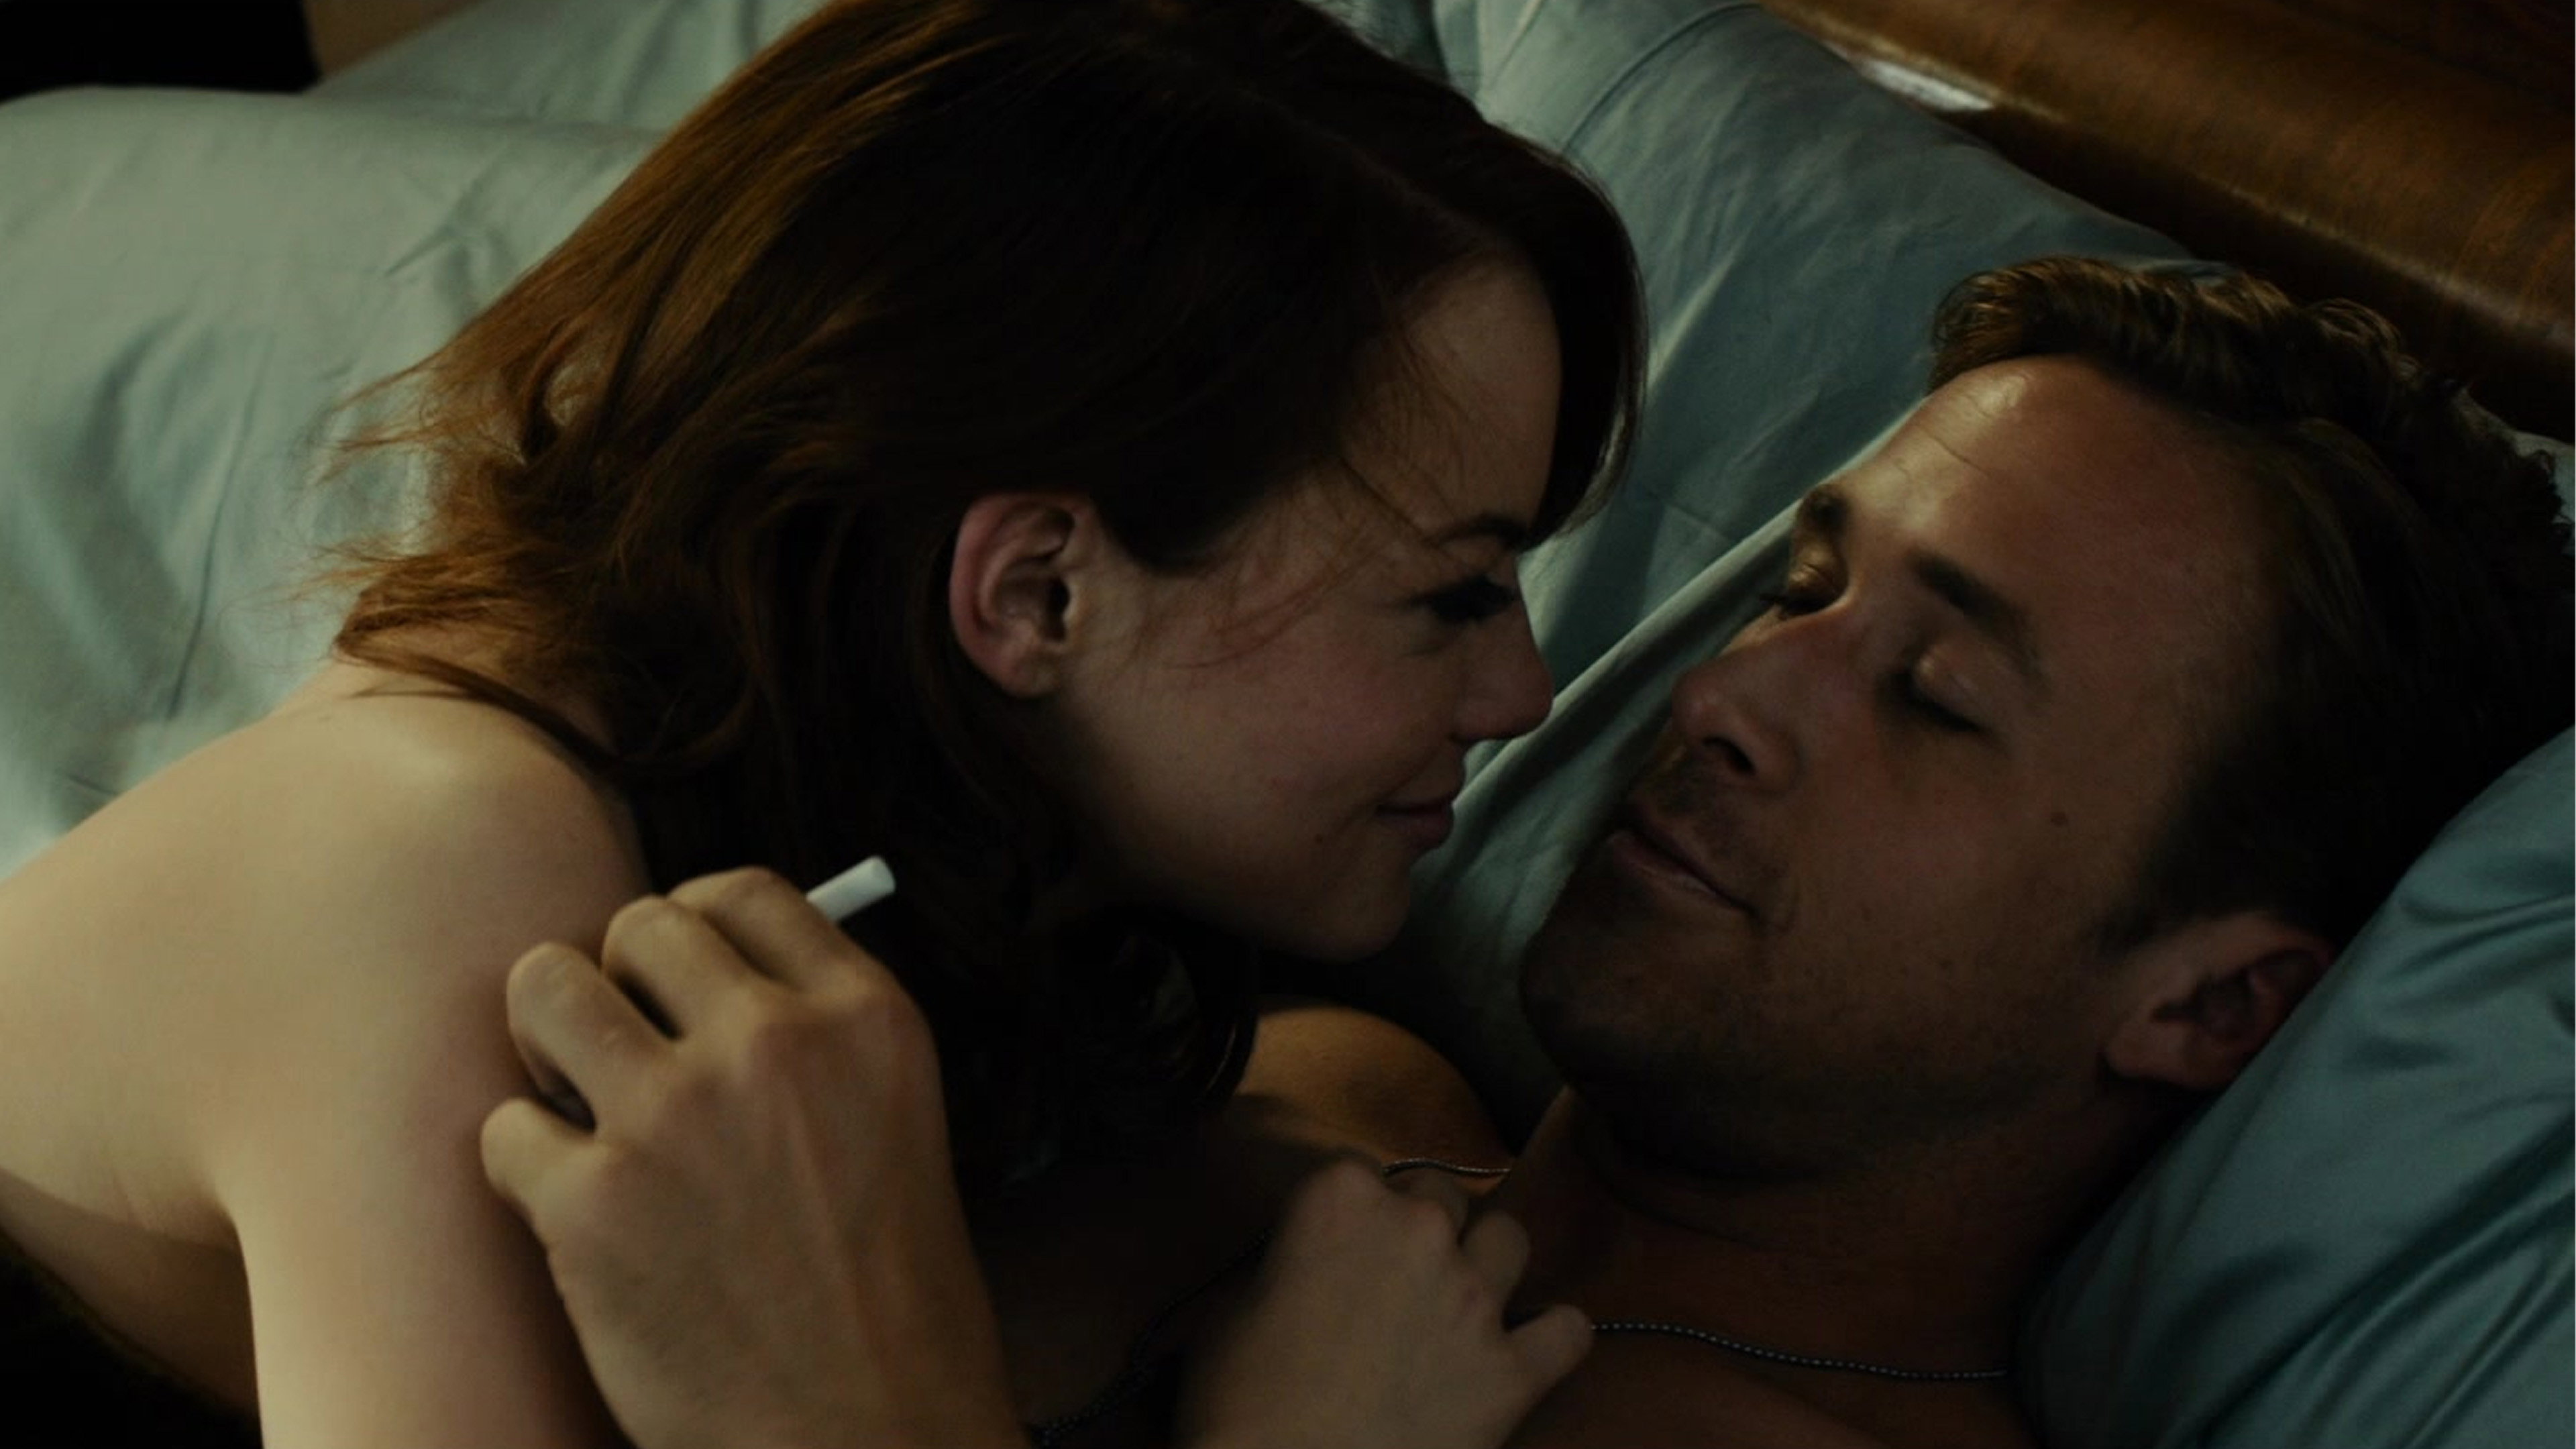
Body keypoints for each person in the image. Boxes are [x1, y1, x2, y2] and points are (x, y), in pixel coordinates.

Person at [483, 257, 2574, 1448]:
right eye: (1802, 588)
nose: (1733, 693)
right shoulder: (1309, 1096)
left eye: (1937, 698)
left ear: (2210, 1003)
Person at [0, 1, 1644, 1444]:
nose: (1524, 694)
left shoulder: (958, 925)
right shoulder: (450, 877)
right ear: (1036, 596)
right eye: (1453, 594)